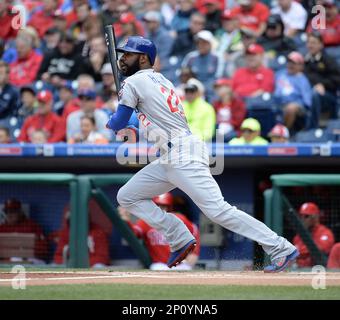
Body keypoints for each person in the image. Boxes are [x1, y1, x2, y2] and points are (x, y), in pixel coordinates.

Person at [106, 35, 298, 272]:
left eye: (128, 54)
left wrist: (113, 121)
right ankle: (179, 236)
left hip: (181, 154)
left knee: (219, 211)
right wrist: (129, 123)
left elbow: (119, 121)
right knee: (128, 196)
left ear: (143, 58)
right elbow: (145, 118)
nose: (122, 59)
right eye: (122, 54)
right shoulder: (160, 80)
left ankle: (281, 247)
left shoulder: (134, 82)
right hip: (171, 155)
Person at [118, 193, 200, 270]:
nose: (160, 209)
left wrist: (194, 253)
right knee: (157, 269)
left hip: (181, 264)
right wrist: (126, 221)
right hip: (159, 265)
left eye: (163, 206)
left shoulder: (179, 219)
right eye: (158, 206)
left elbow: (194, 232)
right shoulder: (146, 221)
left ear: (169, 207)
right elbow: (134, 234)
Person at [53, 203, 110, 268]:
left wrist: (81, 264)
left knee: (99, 266)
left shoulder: (98, 231)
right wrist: (70, 263)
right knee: (54, 266)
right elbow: (58, 256)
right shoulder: (66, 232)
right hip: (70, 265)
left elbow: (103, 257)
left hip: (91, 265)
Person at [304, 32, 340, 128]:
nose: (310, 46)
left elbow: (336, 79)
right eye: (309, 43)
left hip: (328, 95)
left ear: (321, 45)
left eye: (314, 43)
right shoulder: (305, 61)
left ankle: (312, 129)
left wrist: (322, 85)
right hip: (308, 92)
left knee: (316, 95)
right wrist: (316, 84)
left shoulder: (328, 60)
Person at [273, 51, 312, 130]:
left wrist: (296, 105)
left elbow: (307, 102)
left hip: (296, 106)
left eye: (294, 63)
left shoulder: (302, 79)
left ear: (301, 66)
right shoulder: (279, 74)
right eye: (289, 62)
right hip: (278, 104)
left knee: (290, 108)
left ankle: (284, 132)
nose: (290, 65)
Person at [293, 202, 335, 268]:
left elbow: (319, 249)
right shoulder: (298, 237)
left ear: (316, 217)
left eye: (306, 216)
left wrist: (299, 253)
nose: (303, 219)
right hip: (299, 272)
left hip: (318, 272)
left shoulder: (325, 233)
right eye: (301, 216)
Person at [182, 30, 219, 101]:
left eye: (204, 43)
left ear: (210, 44)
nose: (201, 45)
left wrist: (203, 88)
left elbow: (218, 77)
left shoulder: (216, 57)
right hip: (192, 90)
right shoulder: (191, 57)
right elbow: (183, 75)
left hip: (210, 91)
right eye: (199, 42)